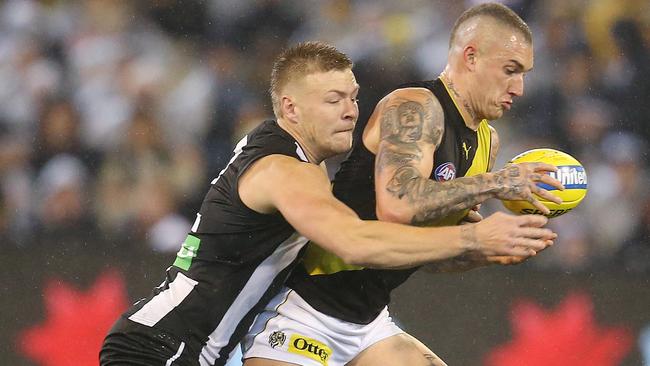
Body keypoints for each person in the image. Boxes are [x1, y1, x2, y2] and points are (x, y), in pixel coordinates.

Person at [100, 41, 555, 366]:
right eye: (333, 100)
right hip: (160, 348)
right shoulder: (284, 171)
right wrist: (473, 231)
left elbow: (379, 253)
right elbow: (355, 242)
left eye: (354, 97)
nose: (351, 112)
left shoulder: (304, 164)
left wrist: (474, 250)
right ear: (291, 108)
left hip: (190, 347)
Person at [241, 4, 563, 366]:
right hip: (304, 309)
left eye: (524, 74)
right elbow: (396, 205)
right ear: (471, 57)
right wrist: (498, 182)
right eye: (510, 70)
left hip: (369, 324)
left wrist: (482, 253)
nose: (519, 88)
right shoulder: (415, 106)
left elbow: (423, 253)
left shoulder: (488, 143)